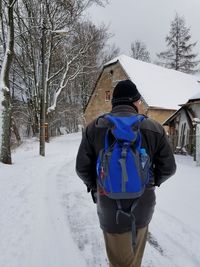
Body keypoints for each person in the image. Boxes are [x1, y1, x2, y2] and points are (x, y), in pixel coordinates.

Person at [76, 79, 176, 267]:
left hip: (109, 207)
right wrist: (151, 181)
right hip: (143, 205)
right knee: (134, 260)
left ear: (114, 102)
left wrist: (96, 188)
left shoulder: (94, 127)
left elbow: (82, 168)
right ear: (135, 102)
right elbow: (169, 168)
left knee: (119, 262)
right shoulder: (154, 128)